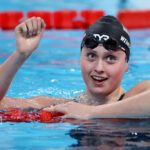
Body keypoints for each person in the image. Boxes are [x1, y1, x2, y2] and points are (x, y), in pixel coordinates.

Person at [0, 16, 150, 119]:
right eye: (91, 55)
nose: (98, 67)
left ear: (126, 66)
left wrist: (91, 112)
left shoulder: (134, 96)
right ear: (80, 58)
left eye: (110, 58)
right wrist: (20, 54)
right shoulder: (63, 106)